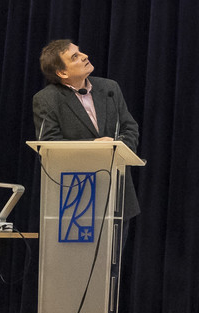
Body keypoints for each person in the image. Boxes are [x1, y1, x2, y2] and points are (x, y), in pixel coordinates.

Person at [32, 40, 141, 219]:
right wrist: (96, 145)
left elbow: (130, 127)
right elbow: (50, 144)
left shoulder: (109, 88)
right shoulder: (46, 99)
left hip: (117, 191)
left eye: (80, 52)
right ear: (62, 72)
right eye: (75, 56)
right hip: (75, 195)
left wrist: (118, 150)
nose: (85, 56)